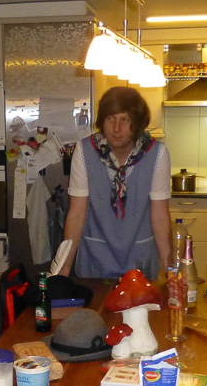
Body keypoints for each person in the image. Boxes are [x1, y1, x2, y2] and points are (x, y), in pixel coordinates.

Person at [58, 86, 171, 279]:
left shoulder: (157, 154)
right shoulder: (84, 151)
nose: (116, 128)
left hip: (141, 261)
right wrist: (63, 270)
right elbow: (76, 214)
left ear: (137, 123)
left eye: (125, 120)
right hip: (95, 261)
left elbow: (160, 217)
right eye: (110, 118)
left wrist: (170, 272)